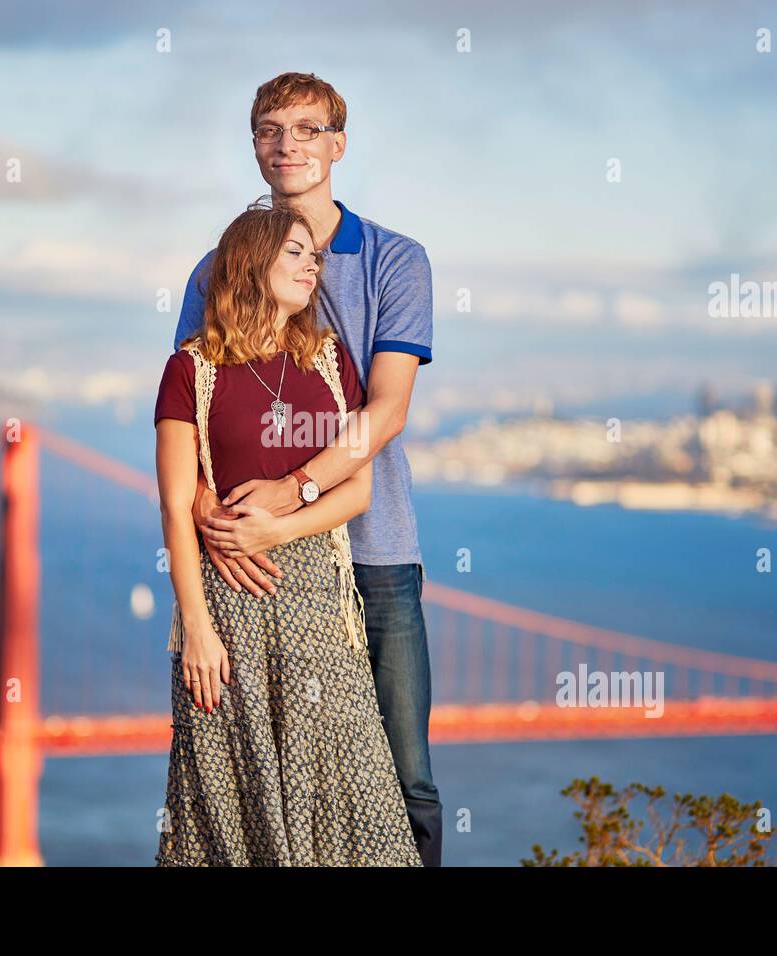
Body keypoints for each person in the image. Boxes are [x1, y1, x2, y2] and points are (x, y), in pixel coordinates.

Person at [171, 71, 442, 865]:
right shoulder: (214, 268)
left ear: (338, 145)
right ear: (253, 145)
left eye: (306, 128)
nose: (286, 144)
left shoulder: (396, 259)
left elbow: (385, 412)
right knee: (262, 775)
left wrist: (292, 492)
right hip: (259, 564)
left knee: (405, 777)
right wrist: (212, 522)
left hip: (375, 547)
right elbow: (189, 405)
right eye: (268, 129)